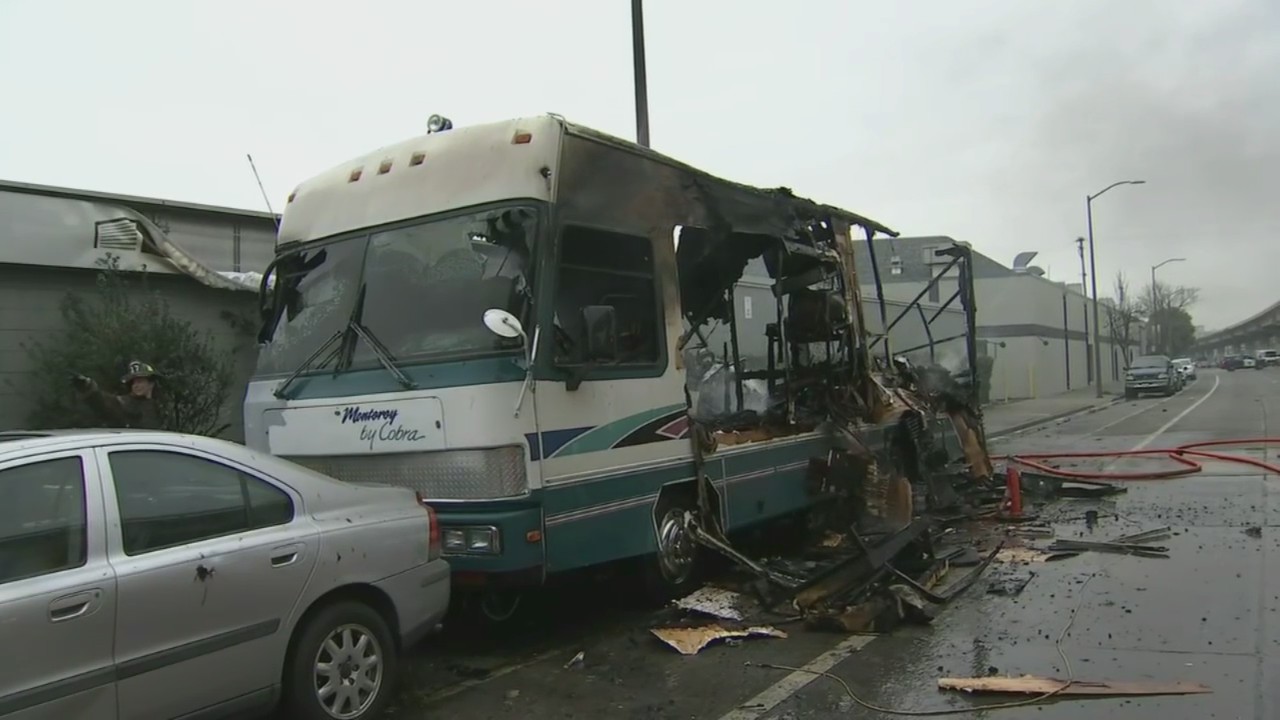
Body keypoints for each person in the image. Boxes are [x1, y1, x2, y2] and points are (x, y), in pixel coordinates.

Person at [71, 360, 163, 430]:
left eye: (140, 382)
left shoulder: (163, 408)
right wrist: (88, 387)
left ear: (151, 384)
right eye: (133, 383)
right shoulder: (124, 404)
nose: (136, 386)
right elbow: (104, 403)